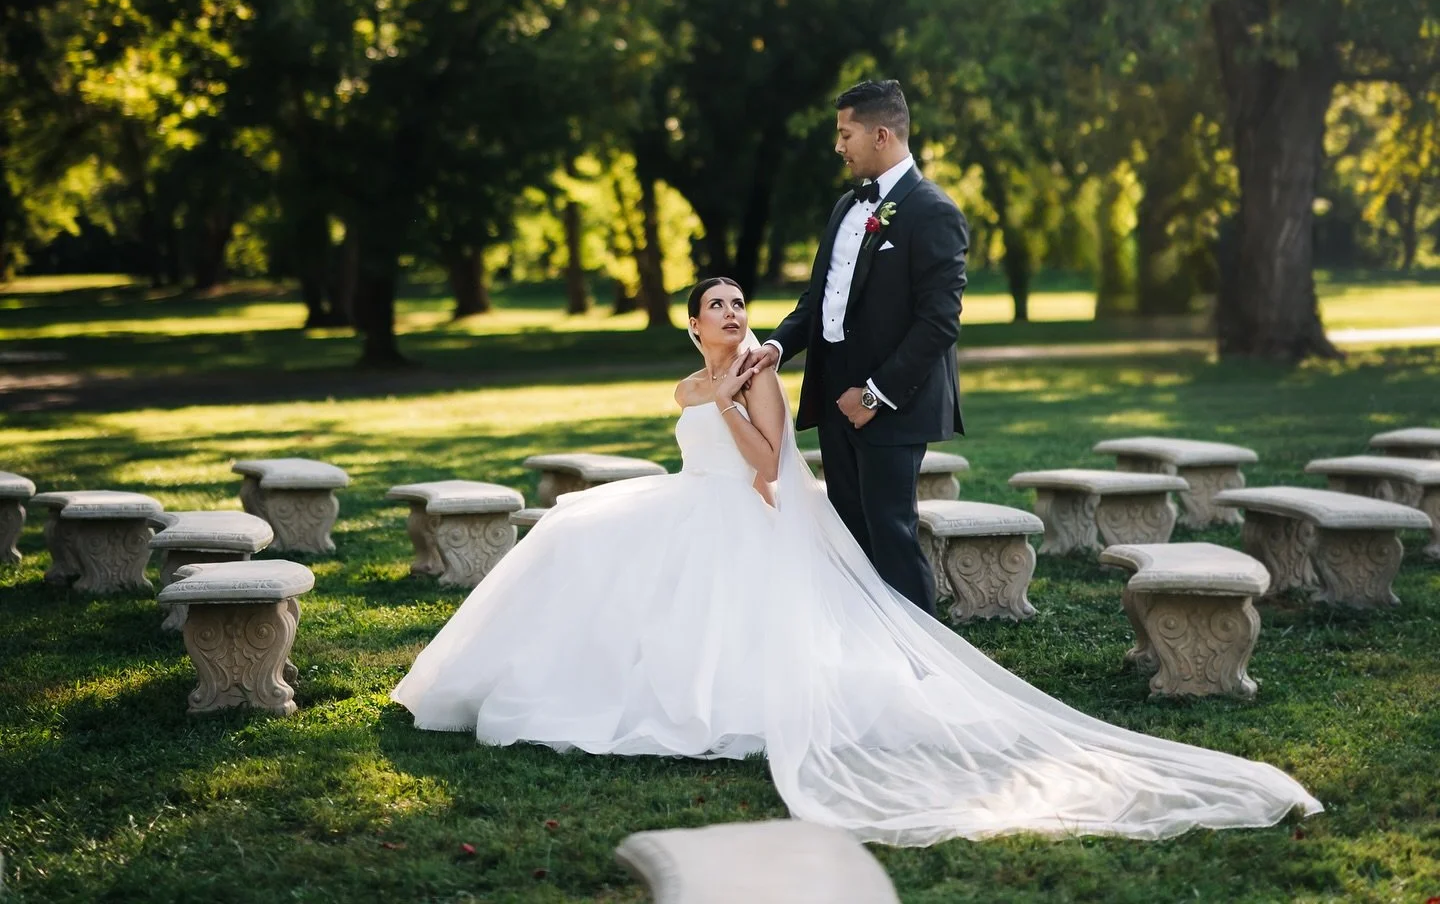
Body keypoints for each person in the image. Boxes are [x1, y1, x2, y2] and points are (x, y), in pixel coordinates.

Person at [392, 277, 1319, 844]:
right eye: (715, 307)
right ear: (691, 323)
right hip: (681, 503)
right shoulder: (697, 371)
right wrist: (703, 388)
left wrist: (729, 395)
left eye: (738, 305)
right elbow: (681, 396)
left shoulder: (759, 372)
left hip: (742, 513)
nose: (731, 314)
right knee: (571, 534)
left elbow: (765, 469)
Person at [739, 77, 966, 612]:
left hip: (893, 400)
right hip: (833, 390)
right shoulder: (846, 206)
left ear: (881, 134)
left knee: (890, 531)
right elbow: (820, 296)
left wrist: (873, 396)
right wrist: (776, 346)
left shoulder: (933, 211)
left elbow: (939, 322)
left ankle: (921, 658)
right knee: (848, 531)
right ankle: (867, 649)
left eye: (846, 134)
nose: (839, 146)